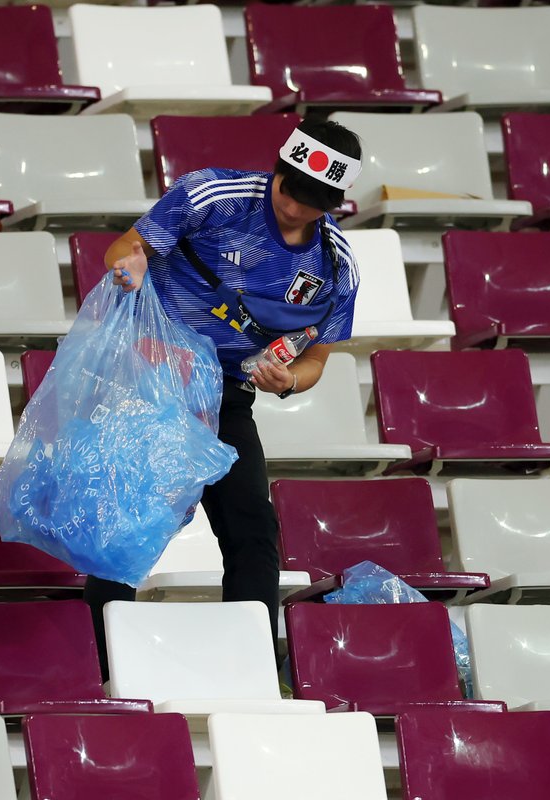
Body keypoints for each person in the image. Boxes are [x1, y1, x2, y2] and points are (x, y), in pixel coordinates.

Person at [84, 118, 364, 678]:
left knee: (253, 532)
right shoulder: (213, 195)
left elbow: (315, 361)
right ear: (278, 168)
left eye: (314, 202)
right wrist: (129, 264)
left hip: (227, 397)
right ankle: (103, 667)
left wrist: (288, 382)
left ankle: (252, 666)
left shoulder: (336, 265)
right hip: (151, 379)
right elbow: (128, 244)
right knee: (129, 524)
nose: (295, 208)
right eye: (290, 190)